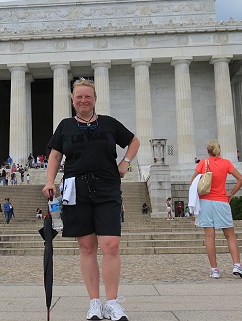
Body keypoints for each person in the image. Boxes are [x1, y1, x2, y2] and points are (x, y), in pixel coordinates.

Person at [42, 77, 140, 321]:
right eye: (78, 97)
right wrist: (49, 181)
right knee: (86, 247)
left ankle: (113, 303)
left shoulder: (108, 123)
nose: (83, 100)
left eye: (87, 96)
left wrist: (125, 163)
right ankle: (94, 302)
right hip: (77, 189)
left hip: (107, 187)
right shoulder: (65, 126)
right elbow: (55, 156)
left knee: (111, 245)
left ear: (95, 99)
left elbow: (133, 141)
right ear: (73, 100)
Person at [190, 141, 242, 280]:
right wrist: (231, 193)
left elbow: (193, 181)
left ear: (208, 151)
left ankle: (215, 270)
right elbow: (241, 179)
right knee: (230, 235)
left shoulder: (203, 163)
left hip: (205, 202)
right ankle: (237, 265)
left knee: (210, 237)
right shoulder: (226, 163)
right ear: (219, 151)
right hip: (221, 201)